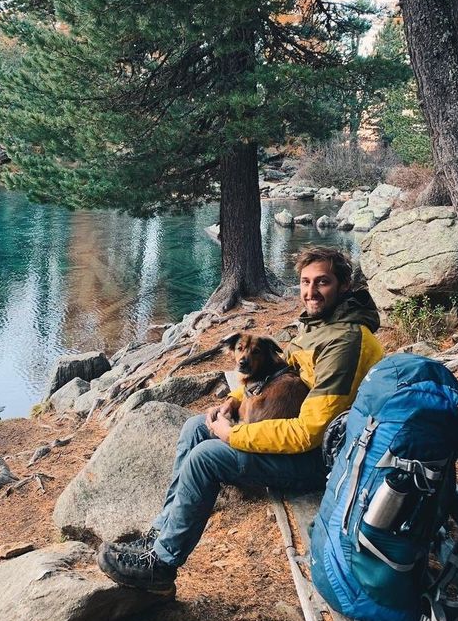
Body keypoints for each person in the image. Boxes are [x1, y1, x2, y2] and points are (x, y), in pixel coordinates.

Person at [97, 245, 384, 594]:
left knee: (207, 458)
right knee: (194, 428)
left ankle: (162, 566)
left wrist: (234, 436)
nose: (310, 292)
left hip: (322, 462)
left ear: (344, 285)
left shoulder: (345, 342)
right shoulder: (321, 326)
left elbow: (310, 433)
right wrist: (234, 402)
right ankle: (160, 533)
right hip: (307, 446)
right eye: (305, 282)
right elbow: (280, 372)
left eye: (322, 282)